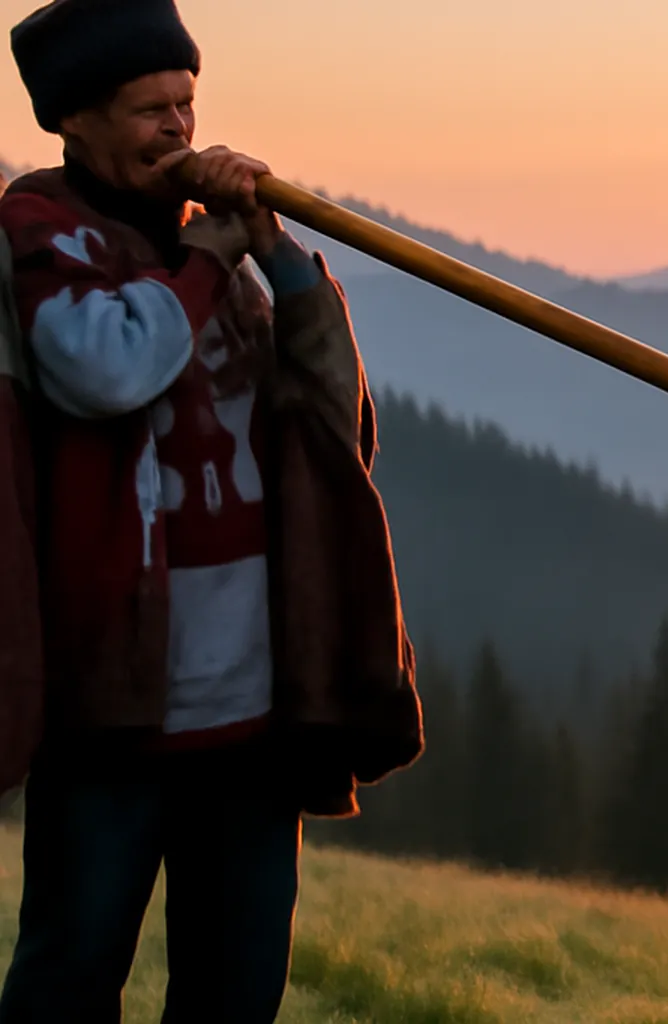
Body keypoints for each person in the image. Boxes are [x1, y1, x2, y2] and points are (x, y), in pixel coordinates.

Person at [0, 1, 423, 1020]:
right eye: (150, 110)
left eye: (186, 104)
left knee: (235, 990)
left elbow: (338, 427)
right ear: (75, 122)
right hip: (110, 712)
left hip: (252, 716)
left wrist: (276, 255)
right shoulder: (39, 236)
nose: (179, 130)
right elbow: (107, 367)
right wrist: (212, 257)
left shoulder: (226, 265)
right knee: (68, 979)